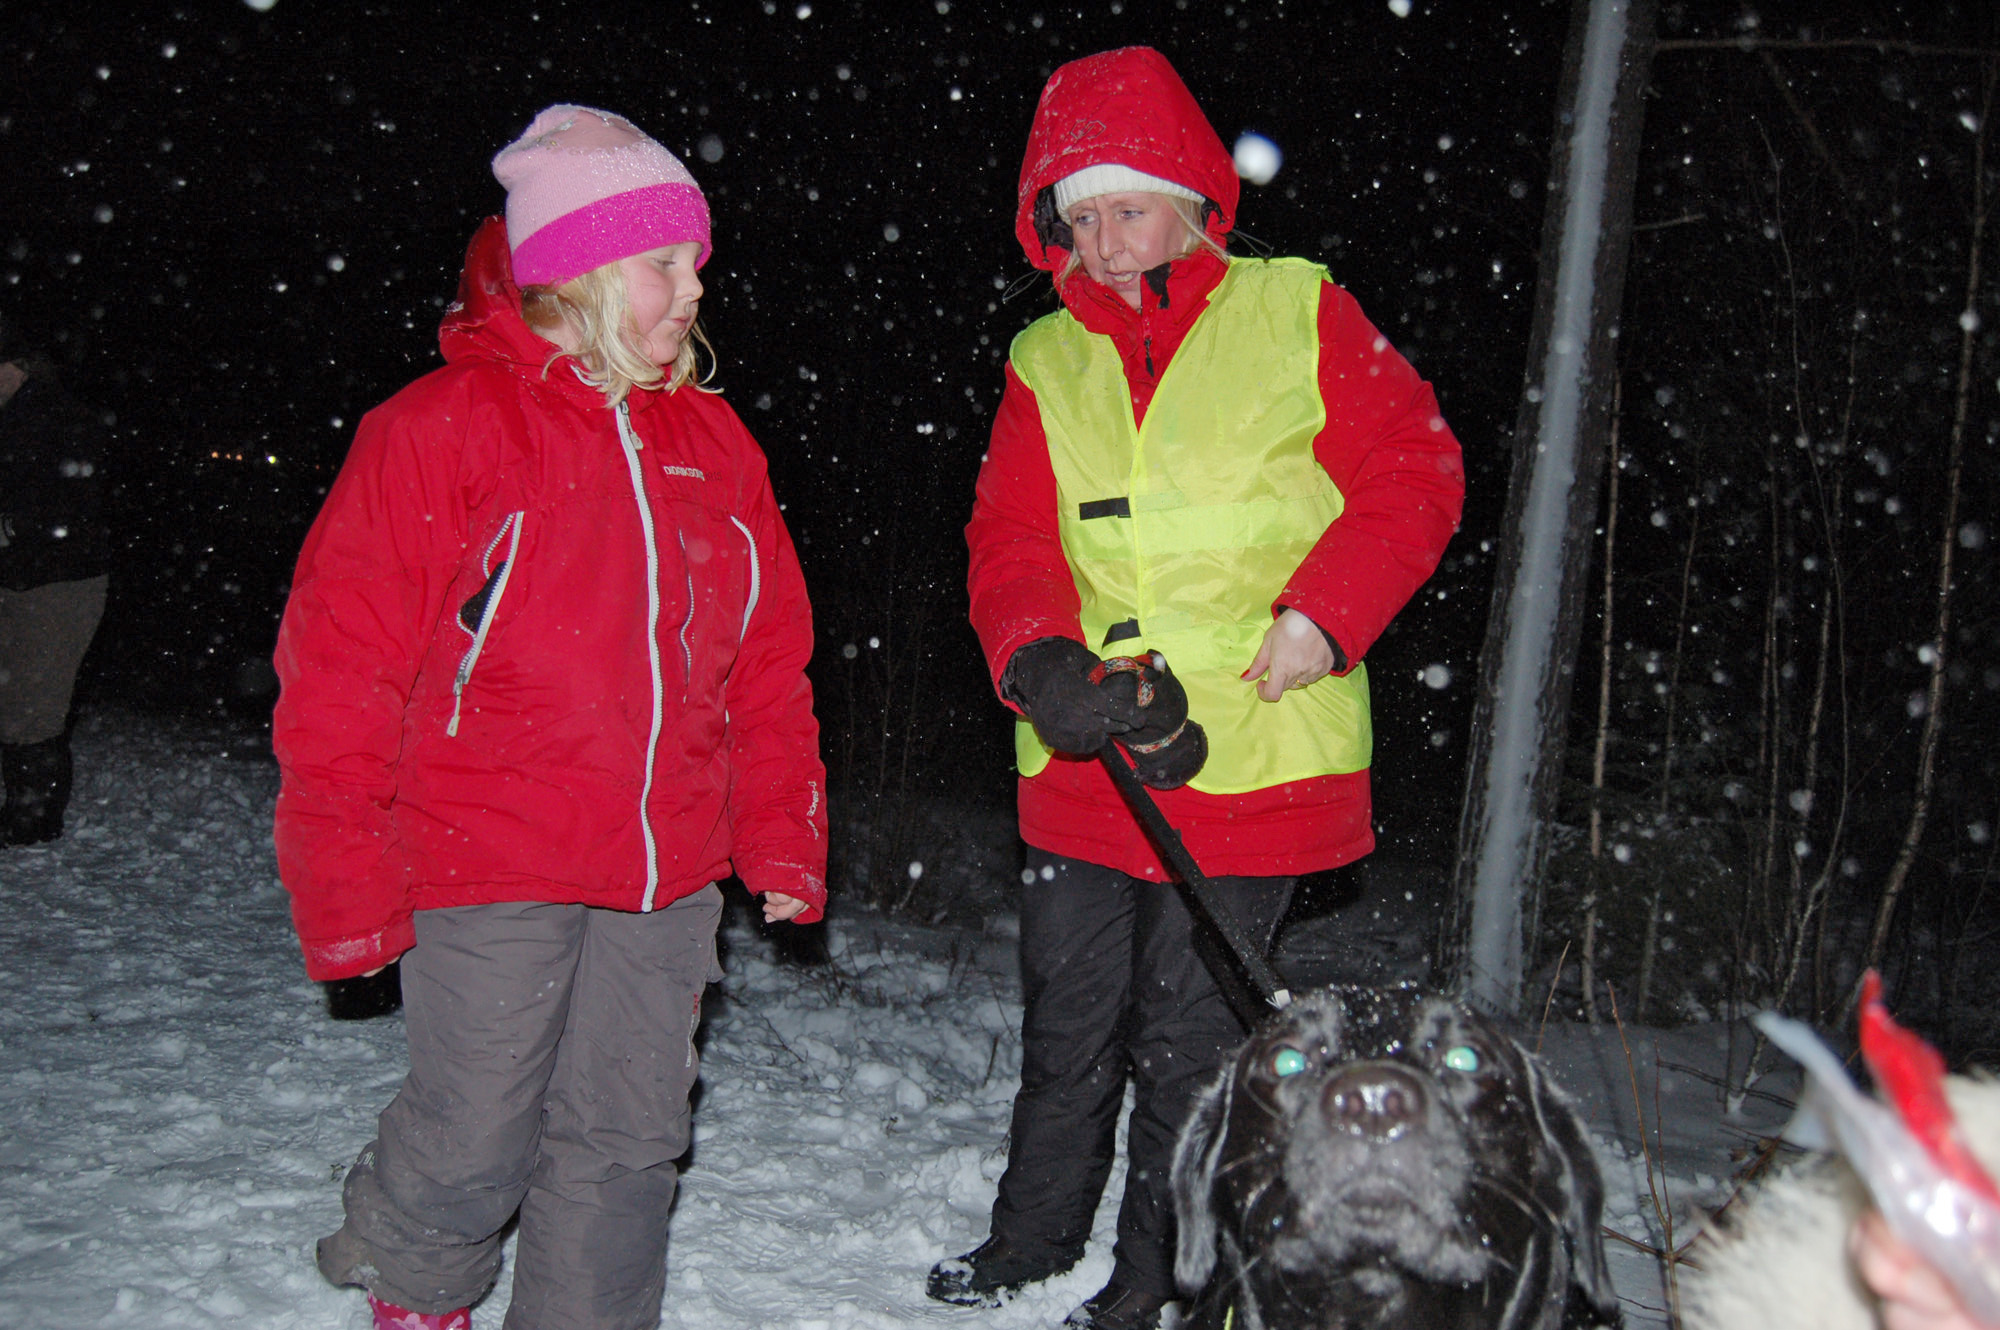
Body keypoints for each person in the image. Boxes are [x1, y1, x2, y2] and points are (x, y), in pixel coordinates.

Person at [273, 105, 827, 1330]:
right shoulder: (438, 432)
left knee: (627, 1137)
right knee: (477, 1124)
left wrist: (778, 832)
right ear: (572, 276)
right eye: (660, 264)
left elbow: (766, 663)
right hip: (484, 855)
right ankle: (415, 1280)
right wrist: (345, 882)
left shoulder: (715, 444)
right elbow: (340, 675)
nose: (692, 289)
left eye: (694, 262)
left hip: (665, 868)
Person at [939, 47, 1465, 1330]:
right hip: (1084, 752)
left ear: (1186, 193)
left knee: (1186, 1035)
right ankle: (1029, 1235)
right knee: (1068, 1018)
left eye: (1124, 207)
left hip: (1256, 741)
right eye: (1075, 220)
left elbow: (1417, 468)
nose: (1105, 245)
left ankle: (1154, 1281)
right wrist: (1035, 656)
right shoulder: (1041, 357)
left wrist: (1321, 616)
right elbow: (1007, 537)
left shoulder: (1295, 309)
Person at [0, 334, 110, 846]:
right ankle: (23, 808)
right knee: (20, 696)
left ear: (19, 366)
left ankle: (32, 818)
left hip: (59, 582)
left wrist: (13, 527)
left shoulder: (52, 419)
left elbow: (64, 504)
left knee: (34, 700)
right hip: (27, 575)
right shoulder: (19, 418)